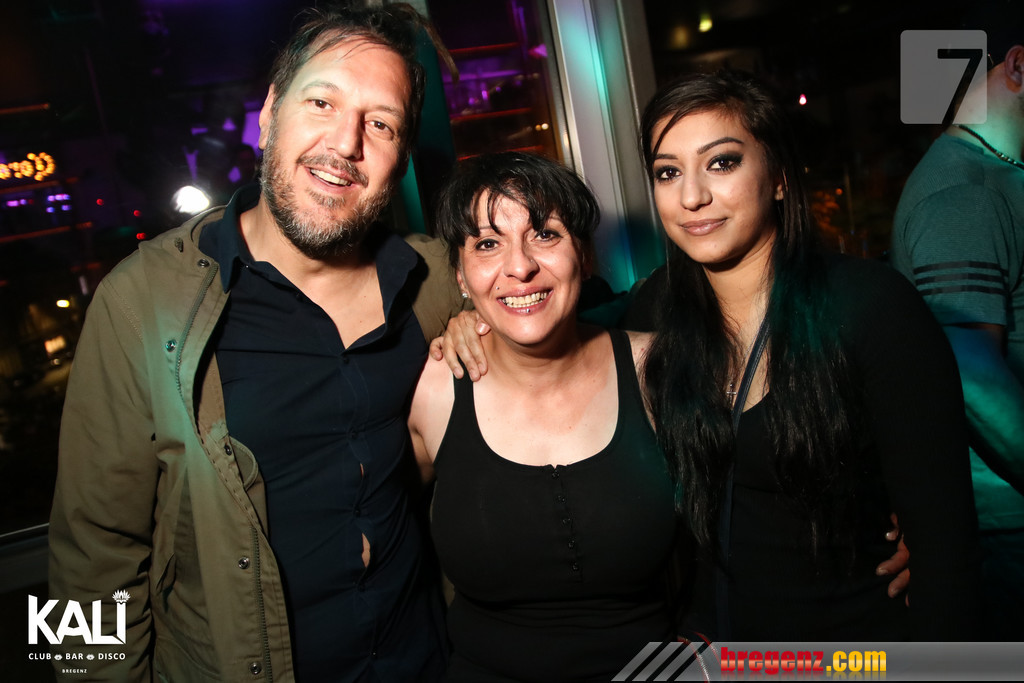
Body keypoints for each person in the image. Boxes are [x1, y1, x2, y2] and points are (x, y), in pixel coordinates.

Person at [48, 5, 464, 681]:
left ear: (402, 157)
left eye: (380, 124)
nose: (345, 143)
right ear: (270, 112)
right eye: (321, 102)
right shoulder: (143, 302)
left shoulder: (437, 281)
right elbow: (88, 555)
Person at [634, 69, 979, 640]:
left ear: (778, 177)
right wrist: (479, 325)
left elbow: (947, 551)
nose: (691, 196)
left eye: (721, 162)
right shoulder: (655, 312)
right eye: (667, 172)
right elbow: (558, 347)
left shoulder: (872, 308)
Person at [409, 152, 678, 682]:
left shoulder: (658, 371)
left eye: (546, 235)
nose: (519, 266)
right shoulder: (433, 390)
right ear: (461, 276)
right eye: (488, 244)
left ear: (585, 255)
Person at [889, 7, 1024, 640]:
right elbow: (970, 374)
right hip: (1010, 527)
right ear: (1018, 65)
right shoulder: (964, 191)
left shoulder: (992, 177)